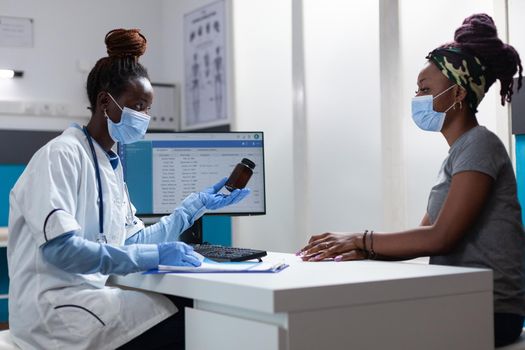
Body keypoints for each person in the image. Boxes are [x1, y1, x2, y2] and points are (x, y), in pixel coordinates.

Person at [7, 28, 249, 350]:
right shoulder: (61, 154)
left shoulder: (110, 163)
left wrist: (193, 208)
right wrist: (152, 256)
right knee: (194, 324)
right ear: (105, 102)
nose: (144, 117)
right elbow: (61, 250)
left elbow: (131, 239)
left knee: (193, 311)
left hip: (88, 300)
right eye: (137, 106)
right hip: (52, 311)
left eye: (147, 108)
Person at [298, 14, 524, 348]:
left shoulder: (480, 144)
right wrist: (362, 251)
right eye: (417, 89)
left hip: (492, 310)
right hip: (464, 301)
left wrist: (361, 238)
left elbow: (440, 238)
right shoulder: (458, 154)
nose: (417, 97)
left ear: (458, 93)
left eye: (426, 89)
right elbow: (422, 238)